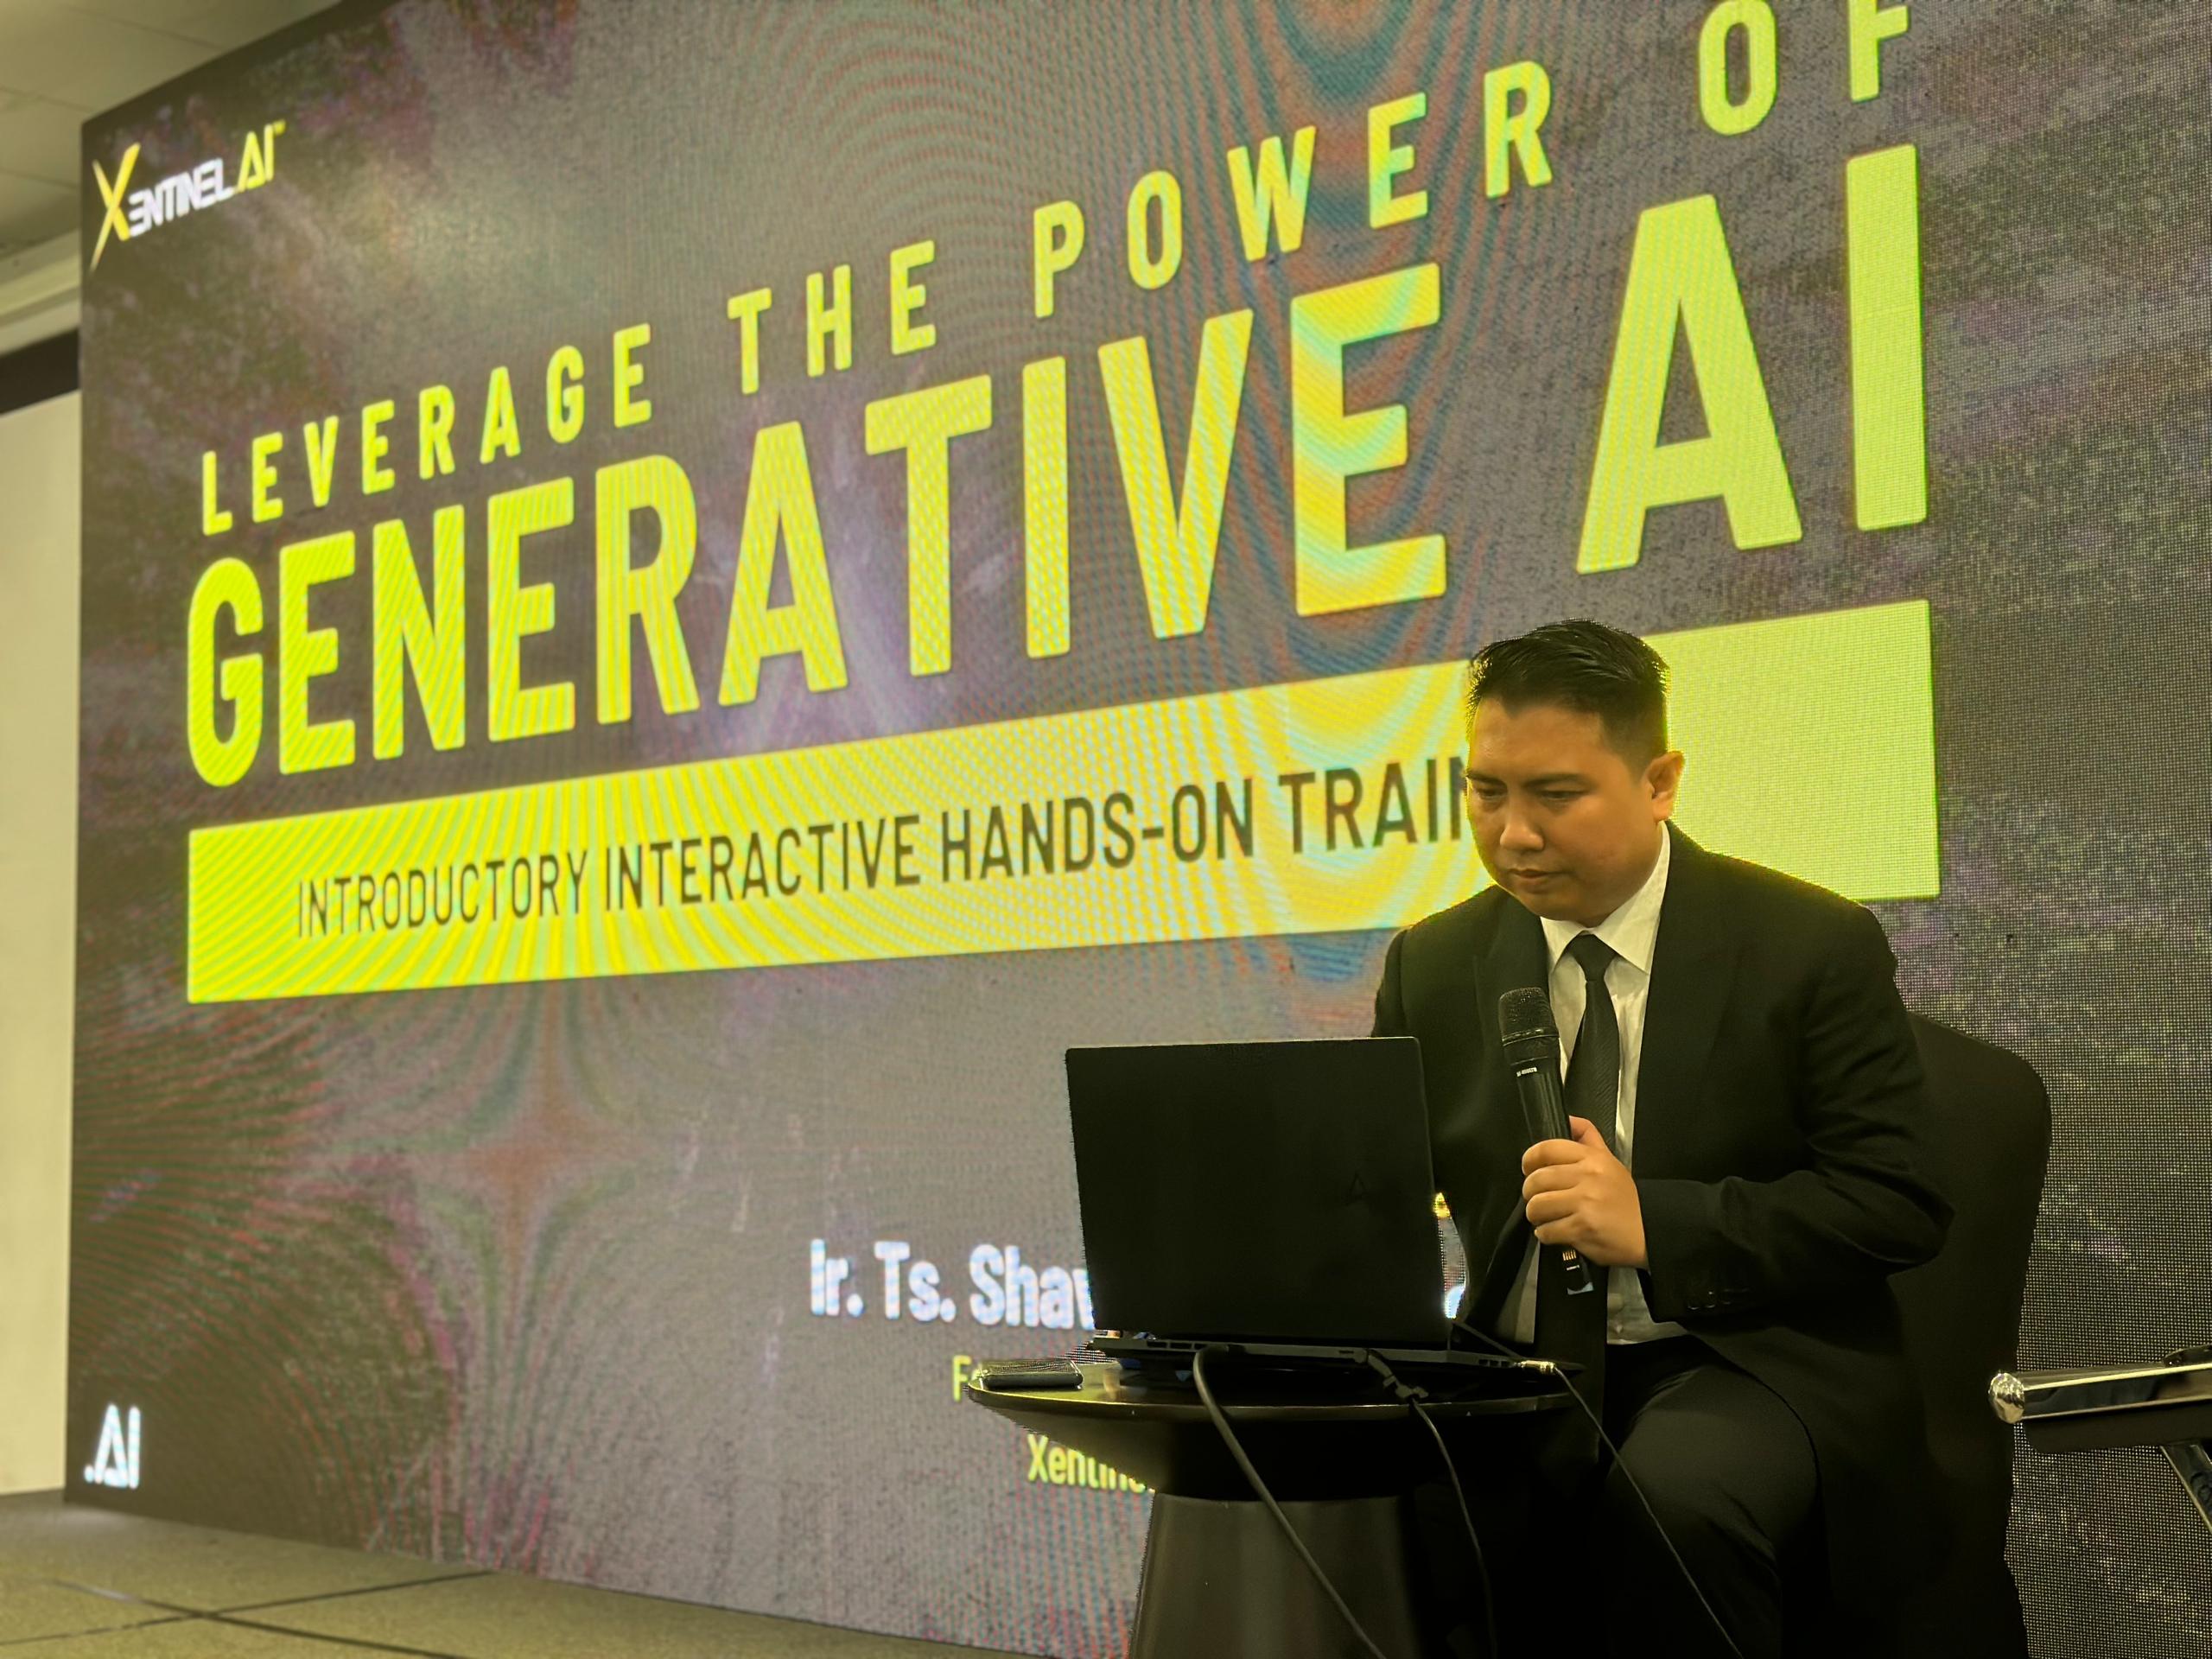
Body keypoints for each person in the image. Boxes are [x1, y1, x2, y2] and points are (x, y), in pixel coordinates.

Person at [1371, 619, 1950, 1657]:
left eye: (1555, 796)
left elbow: (1895, 1201)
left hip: (1741, 1356)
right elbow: (1373, 1188)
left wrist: (1655, 1223)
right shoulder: (1433, 961)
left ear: (1660, 781)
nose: (1513, 834)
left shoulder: (1808, 944)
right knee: (1333, 1484)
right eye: (1485, 793)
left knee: (1670, 1501)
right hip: (1516, 1370)